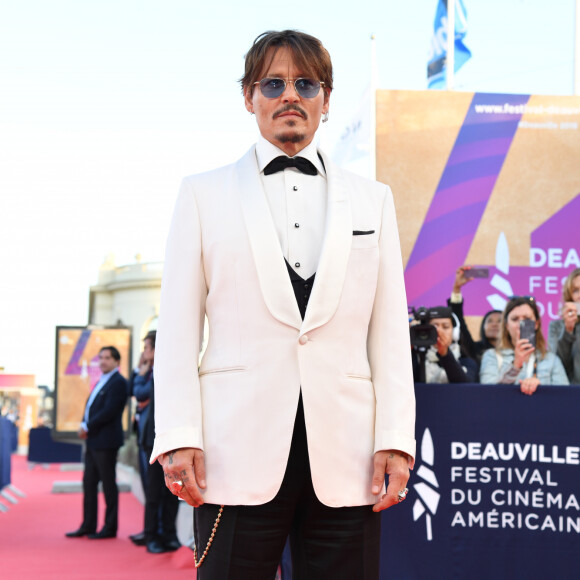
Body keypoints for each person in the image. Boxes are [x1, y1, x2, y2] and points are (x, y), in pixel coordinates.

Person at [150, 29, 416, 579]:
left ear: (326, 99)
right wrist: (178, 436)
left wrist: (395, 439)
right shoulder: (201, 194)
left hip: (348, 455)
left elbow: (388, 331)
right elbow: (176, 328)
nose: (289, 95)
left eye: (306, 83)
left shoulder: (376, 199)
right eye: (273, 83)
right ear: (248, 97)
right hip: (232, 449)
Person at [66, 346, 128, 539]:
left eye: (107, 358)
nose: (102, 361)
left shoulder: (119, 382)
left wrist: (87, 426)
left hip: (106, 442)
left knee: (108, 485)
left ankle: (110, 528)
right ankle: (88, 525)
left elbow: (109, 411)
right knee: (89, 484)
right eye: (100, 358)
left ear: (116, 361)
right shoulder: (101, 380)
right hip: (93, 441)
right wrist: (86, 425)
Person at [133, 331, 181, 554]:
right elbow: (140, 395)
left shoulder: (174, 367)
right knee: (153, 492)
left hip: (175, 437)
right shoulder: (152, 372)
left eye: (146, 347)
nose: (144, 352)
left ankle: (169, 535)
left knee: (173, 491)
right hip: (153, 439)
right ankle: (151, 535)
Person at [480, 296, 569, 394]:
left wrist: (542, 389)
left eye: (527, 318)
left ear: (536, 324)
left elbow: (564, 396)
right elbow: (487, 394)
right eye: (515, 319)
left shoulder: (551, 360)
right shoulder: (492, 356)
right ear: (507, 326)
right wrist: (515, 366)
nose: (520, 324)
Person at [448, 266, 502, 362]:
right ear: (483, 327)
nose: (494, 324)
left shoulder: (515, 351)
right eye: (489, 321)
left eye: (500, 321)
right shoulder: (474, 349)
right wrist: (456, 288)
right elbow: (458, 320)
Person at [412, 306, 478, 383]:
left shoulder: (467, 362)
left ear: (455, 332)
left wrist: (445, 353)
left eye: (445, 327)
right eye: (434, 327)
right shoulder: (416, 358)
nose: (439, 331)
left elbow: (464, 387)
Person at [548, 268, 580, 384]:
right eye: (575, 291)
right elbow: (557, 365)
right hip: (573, 393)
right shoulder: (556, 327)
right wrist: (568, 331)